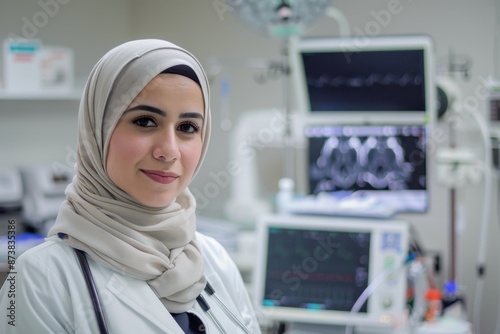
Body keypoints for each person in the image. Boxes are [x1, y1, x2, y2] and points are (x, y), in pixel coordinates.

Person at [0, 39, 261, 334]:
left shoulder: (216, 259)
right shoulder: (41, 278)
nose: (169, 150)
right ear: (99, 130)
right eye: (146, 121)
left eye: (187, 127)